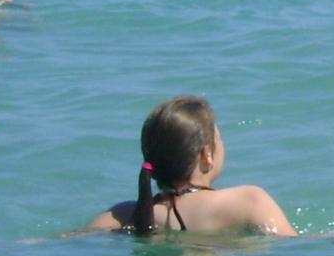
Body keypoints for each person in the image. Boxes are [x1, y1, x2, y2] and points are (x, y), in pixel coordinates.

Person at [88, 96, 296, 235]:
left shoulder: (125, 214)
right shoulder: (249, 201)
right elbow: (291, 249)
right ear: (206, 155)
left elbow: (75, 241)